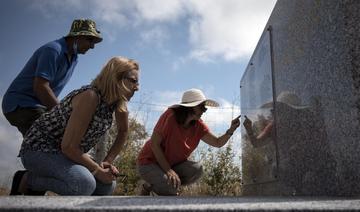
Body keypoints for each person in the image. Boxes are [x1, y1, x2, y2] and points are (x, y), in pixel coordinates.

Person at [10, 56, 140, 196]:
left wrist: (107, 162)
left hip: (68, 154)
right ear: (116, 78)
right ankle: (27, 180)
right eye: (133, 81)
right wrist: (97, 170)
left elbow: (123, 131)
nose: (137, 87)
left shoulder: (119, 103)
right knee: (83, 184)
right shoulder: (90, 96)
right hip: (39, 150)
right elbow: (69, 147)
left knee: (107, 186)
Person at [2, 19, 102, 137]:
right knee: (56, 138)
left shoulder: (74, 59)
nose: (92, 46)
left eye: (94, 42)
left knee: (54, 140)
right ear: (76, 36)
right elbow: (41, 87)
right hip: (21, 104)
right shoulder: (53, 50)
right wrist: (62, 115)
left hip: (37, 106)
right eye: (89, 40)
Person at [137, 88, 240, 196]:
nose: (204, 110)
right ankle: (156, 185)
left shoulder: (198, 126)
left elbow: (217, 142)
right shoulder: (170, 116)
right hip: (149, 163)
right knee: (170, 189)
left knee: (196, 169)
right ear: (191, 106)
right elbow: (154, 144)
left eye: (204, 108)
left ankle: (160, 185)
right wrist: (168, 171)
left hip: (170, 166)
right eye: (201, 107)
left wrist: (231, 130)